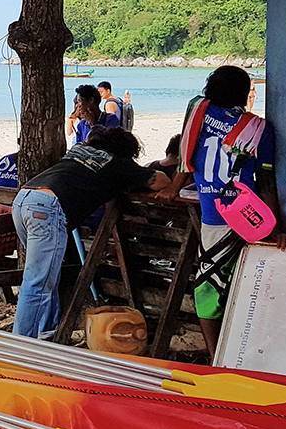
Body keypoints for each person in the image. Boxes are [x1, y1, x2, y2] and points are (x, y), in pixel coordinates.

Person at [159, 65, 286, 356]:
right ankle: (240, 353)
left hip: (214, 214)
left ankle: (216, 355)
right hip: (249, 214)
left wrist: (173, 188)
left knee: (209, 284)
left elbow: (185, 154)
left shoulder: (198, 110)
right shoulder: (258, 128)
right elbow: (266, 180)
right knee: (248, 284)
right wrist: (275, 226)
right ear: (244, 94)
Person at [12, 127, 170, 338]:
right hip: (48, 209)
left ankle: (46, 335)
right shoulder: (118, 164)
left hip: (24, 199)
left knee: (47, 275)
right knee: (38, 281)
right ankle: (20, 345)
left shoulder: (78, 151)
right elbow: (161, 181)